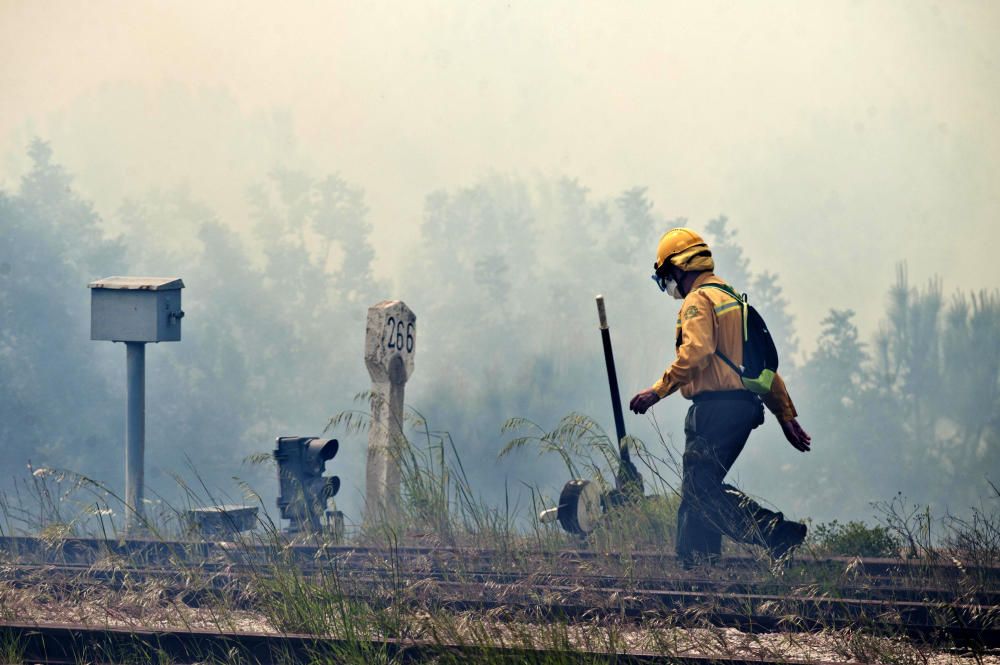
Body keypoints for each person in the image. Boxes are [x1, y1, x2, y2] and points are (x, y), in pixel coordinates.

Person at [628, 227, 811, 565]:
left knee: (701, 493)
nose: (670, 285)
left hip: (716, 410)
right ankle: (700, 567)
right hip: (742, 409)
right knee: (699, 489)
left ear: (681, 268)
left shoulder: (698, 301)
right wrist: (785, 415)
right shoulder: (732, 299)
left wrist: (657, 391)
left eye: (668, 276)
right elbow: (761, 367)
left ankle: (774, 533)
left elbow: (697, 351)